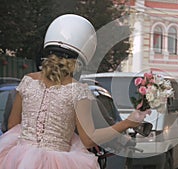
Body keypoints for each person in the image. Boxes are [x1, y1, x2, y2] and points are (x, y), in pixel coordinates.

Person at [0, 14, 150, 169]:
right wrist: (127, 123)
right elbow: (88, 139)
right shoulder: (78, 91)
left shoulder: (27, 81)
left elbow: (12, 125)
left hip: (17, 160)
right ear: (81, 58)